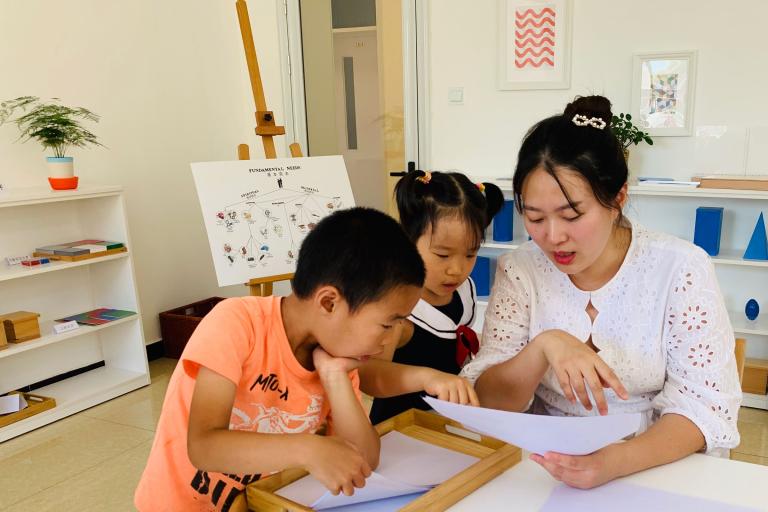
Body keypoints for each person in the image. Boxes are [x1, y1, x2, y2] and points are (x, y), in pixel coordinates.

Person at [461, 96, 742, 489]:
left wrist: (615, 461)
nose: (553, 236)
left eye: (572, 215)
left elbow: (704, 407)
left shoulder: (680, 268)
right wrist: (544, 346)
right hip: (544, 467)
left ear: (618, 198)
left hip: (655, 464)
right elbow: (490, 400)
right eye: (535, 217)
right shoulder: (521, 269)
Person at [134, 207, 425, 511]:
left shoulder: (336, 357)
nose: (389, 339)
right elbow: (204, 446)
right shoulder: (235, 322)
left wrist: (335, 377)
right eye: (387, 325)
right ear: (329, 302)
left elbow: (364, 459)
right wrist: (308, 449)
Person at [360, 170, 503, 424]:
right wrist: (427, 378)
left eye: (470, 254)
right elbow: (368, 375)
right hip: (400, 428)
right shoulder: (398, 307)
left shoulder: (463, 290)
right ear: (408, 241)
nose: (456, 270)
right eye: (442, 255)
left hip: (448, 423)